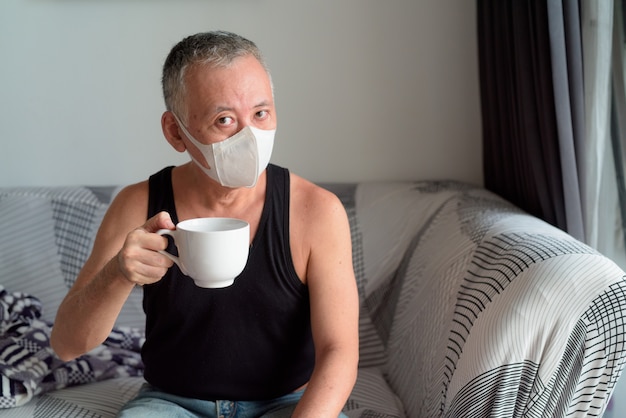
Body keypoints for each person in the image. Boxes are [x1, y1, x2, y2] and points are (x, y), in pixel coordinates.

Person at [50, 31, 359, 418]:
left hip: (288, 402)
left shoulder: (316, 211)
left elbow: (340, 349)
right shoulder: (138, 206)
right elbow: (66, 345)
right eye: (224, 119)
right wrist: (118, 274)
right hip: (170, 402)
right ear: (175, 131)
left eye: (261, 114)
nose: (250, 136)